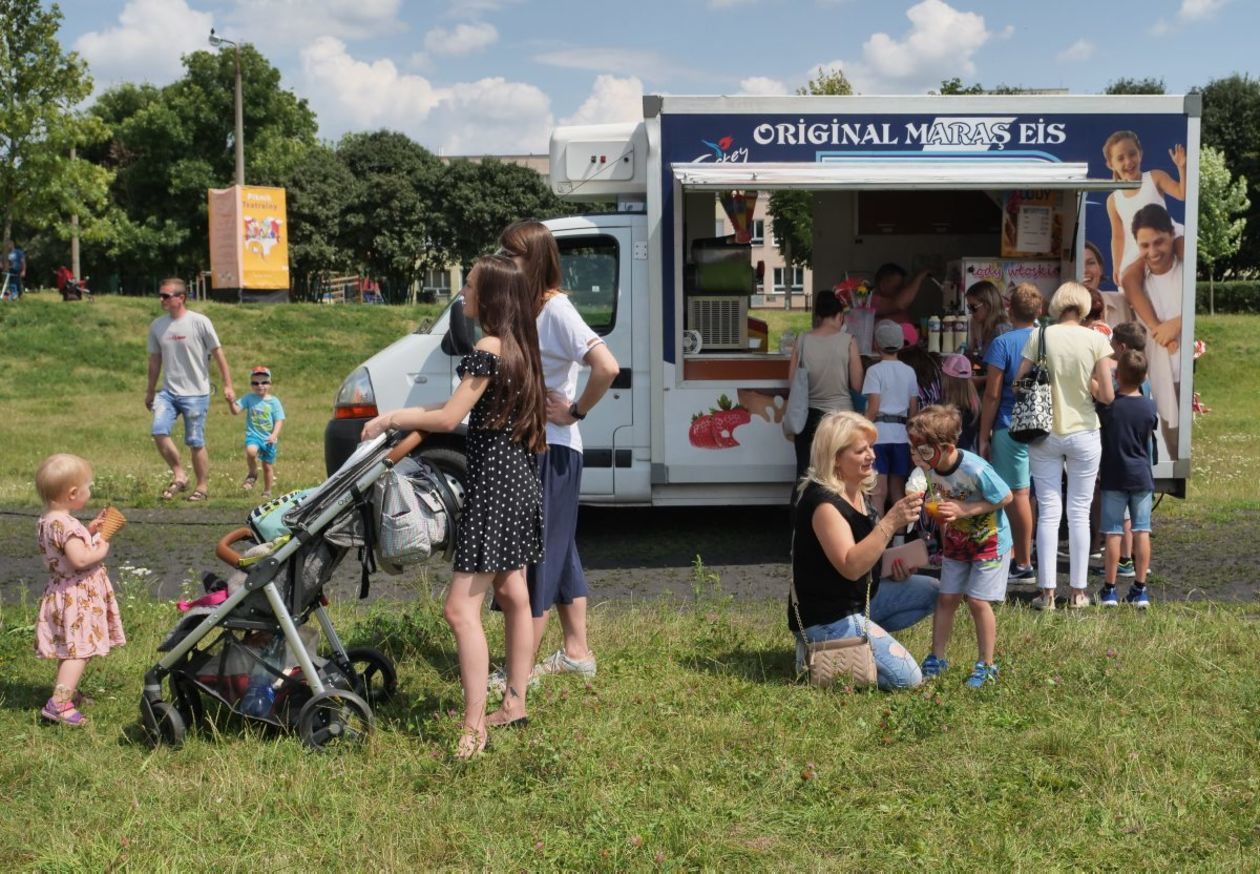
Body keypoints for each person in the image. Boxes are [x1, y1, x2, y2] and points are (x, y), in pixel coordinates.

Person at [361, 254, 546, 759]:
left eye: (468, 286)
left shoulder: (487, 347)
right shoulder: (521, 348)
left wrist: (390, 417)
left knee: (459, 608)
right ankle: (514, 703)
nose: (462, 294)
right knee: (513, 593)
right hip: (521, 482)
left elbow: (448, 416)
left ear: (490, 296)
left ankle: (473, 729)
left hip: (494, 487)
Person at [494, 220, 619, 689]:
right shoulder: (524, 306)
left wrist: (575, 411)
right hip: (536, 446)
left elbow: (606, 366)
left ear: (537, 259)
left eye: (514, 256)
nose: (506, 263)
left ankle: (517, 676)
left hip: (553, 450)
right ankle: (577, 651)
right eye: (503, 255)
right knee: (560, 550)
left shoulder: (556, 308)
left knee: (538, 558)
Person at [789, 411, 939, 691]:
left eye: (871, 447)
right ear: (835, 457)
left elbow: (864, 557)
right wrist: (891, 521)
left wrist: (894, 566)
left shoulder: (857, 490)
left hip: (858, 600)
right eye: (861, 450)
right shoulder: (823, 504)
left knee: (933, 590)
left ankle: (852, 645)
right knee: (909, 679)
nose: (871, 455)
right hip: (828, 614)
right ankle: (820, 653)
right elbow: (850, 566)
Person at [1015, 282, 1115, 610]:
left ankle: (1046, 593)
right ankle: (1079, 592)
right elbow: (1107, 396)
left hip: (1044, 432)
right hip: (1085, 431)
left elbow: (1018, 384)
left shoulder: (1039, 336)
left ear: (1057, 305)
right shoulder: (1097, 339)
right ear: (1085, 307)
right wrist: (1089, 383)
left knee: (1048, 509)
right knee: (1080, 511)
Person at [908, 406, 1012, 688]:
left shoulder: (975, 468)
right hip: (956, 543)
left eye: (923, 451)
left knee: (978, 601)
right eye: (913, 449)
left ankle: (987, 665)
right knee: (946, 598)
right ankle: (937, 658)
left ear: (947, 447)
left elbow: (1005, 497)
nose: (916, 457)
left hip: (989, 542)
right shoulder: (930, 468)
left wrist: (965, 510)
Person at [34, 454, 126, 726]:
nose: (90, 491)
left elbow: (65, 549)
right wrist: (102, 543)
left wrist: (89, 530)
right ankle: (59, 705)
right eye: (88, 487)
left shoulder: (49, 521)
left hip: (61, 592)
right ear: (73, 493)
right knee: (79, 651)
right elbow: (81, 559)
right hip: (78, 596)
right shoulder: (67, 525)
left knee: (69, 648)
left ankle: (67, 691)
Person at [145, 279, 234, 502]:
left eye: (166, 296)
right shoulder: (157, 326)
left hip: (196, 393)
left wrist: (228, 384)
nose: (161, 300)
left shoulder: (199, 322)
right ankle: (180, 474)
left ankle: (202, 487)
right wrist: (150, 391)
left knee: (195, 441)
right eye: (161, 295)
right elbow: (155, 361)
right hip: (169, 392)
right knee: (158, 430)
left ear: (181, 297)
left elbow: (219, 353)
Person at [977, 282, 1041, 582]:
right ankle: (1028, 553)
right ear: (1038, 310)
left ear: (1008, 309)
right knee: (1036, 495)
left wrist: (982, 434)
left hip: (1010, 423)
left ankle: (1023, 562)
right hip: (1047, 425)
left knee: (1016, 494)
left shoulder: (1002, 344)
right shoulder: (1048, 340)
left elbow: (992, 394)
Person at [1096, 350, 1158, 609]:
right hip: (1141, 475)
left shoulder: (1109, 407)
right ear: (1144, 377)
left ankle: (1109, 590)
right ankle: (1140, 589)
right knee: (1142, 530)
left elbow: (1096, 391)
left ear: (1117, 375)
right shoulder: (1149, 406)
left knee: (1113, 532)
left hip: (1113, 474)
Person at [1120, 203, 1183, 455]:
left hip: (1188, 375)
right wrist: (1163, 330)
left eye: (1159, 242)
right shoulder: (1136, 279)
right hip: (1162, 378)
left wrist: (1177, 323)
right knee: (1174, 445)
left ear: (1172, 235)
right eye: (1145, 245)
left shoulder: (1185, 267)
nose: (1153, 251)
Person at [787, 288, 864, 480]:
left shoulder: (802, 340)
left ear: (818, 316)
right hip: (841, 418)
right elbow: (857, 384)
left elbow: (792, 381)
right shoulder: (849, 341)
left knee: (806, 476)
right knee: (838, 477)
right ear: (840, 316)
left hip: (808, 418)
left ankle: (803, 510)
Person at [1103, 130, 1185, 287]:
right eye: (1120, 158)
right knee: (1131, 284)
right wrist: (1117, 265)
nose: (1128, 162)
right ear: (1111, 164)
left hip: (1166, 239)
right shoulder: (1113, 200)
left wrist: (1182, 167)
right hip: (1138, 251)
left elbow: (1181, 193)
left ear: (1140, 154)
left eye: (1132, 154)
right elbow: (1118, 236)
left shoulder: (1155, 177)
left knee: (1182, 246)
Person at [863, 319, 919, 515]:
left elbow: (873, 407)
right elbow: (913, 410)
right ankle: (900, 539)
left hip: (879, 435)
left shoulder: (873, 371)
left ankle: (878, 536)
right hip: (901, 437)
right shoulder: (909, 372)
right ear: (900, 344)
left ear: (877, 344)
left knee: (878, 492)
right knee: (898, 490)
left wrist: (860, 430)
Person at [228, 366, 285, 500]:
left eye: (264, 382)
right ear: (251, 385)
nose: (260, 385)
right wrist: (230, 402)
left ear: (270, 384)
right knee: (251, 451)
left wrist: (274, 435)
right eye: (255, 383)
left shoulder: (274, 402)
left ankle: (267, 491)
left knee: (267, 467)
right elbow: (235, 411)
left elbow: (279, 420)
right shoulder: (249, 398)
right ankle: (252, 473)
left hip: (269, 439)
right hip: (253, 435)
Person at [939, 353, 980, 452]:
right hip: (971, 457)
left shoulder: (942, 407)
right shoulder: (976, 405)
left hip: (949, 458)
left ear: (946, 378)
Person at [964, 280, 1010, 363]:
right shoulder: (988, 327)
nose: (970, 312)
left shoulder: (1001, 330)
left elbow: (1000, 370)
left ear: (988, 304)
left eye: (973, 307)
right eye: (969, 307)